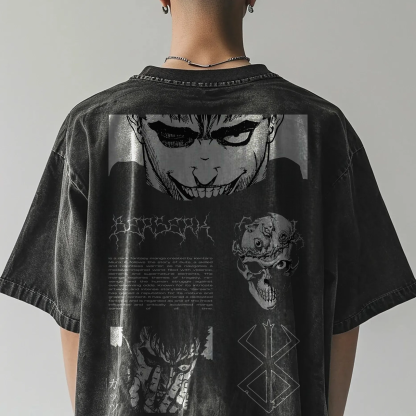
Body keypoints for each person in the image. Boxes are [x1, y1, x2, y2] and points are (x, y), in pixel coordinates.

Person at [1, 0, 415, 415]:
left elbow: (74, 315)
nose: (204, 171)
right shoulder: (322, 125)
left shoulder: (91, 126)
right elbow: (344, 315)